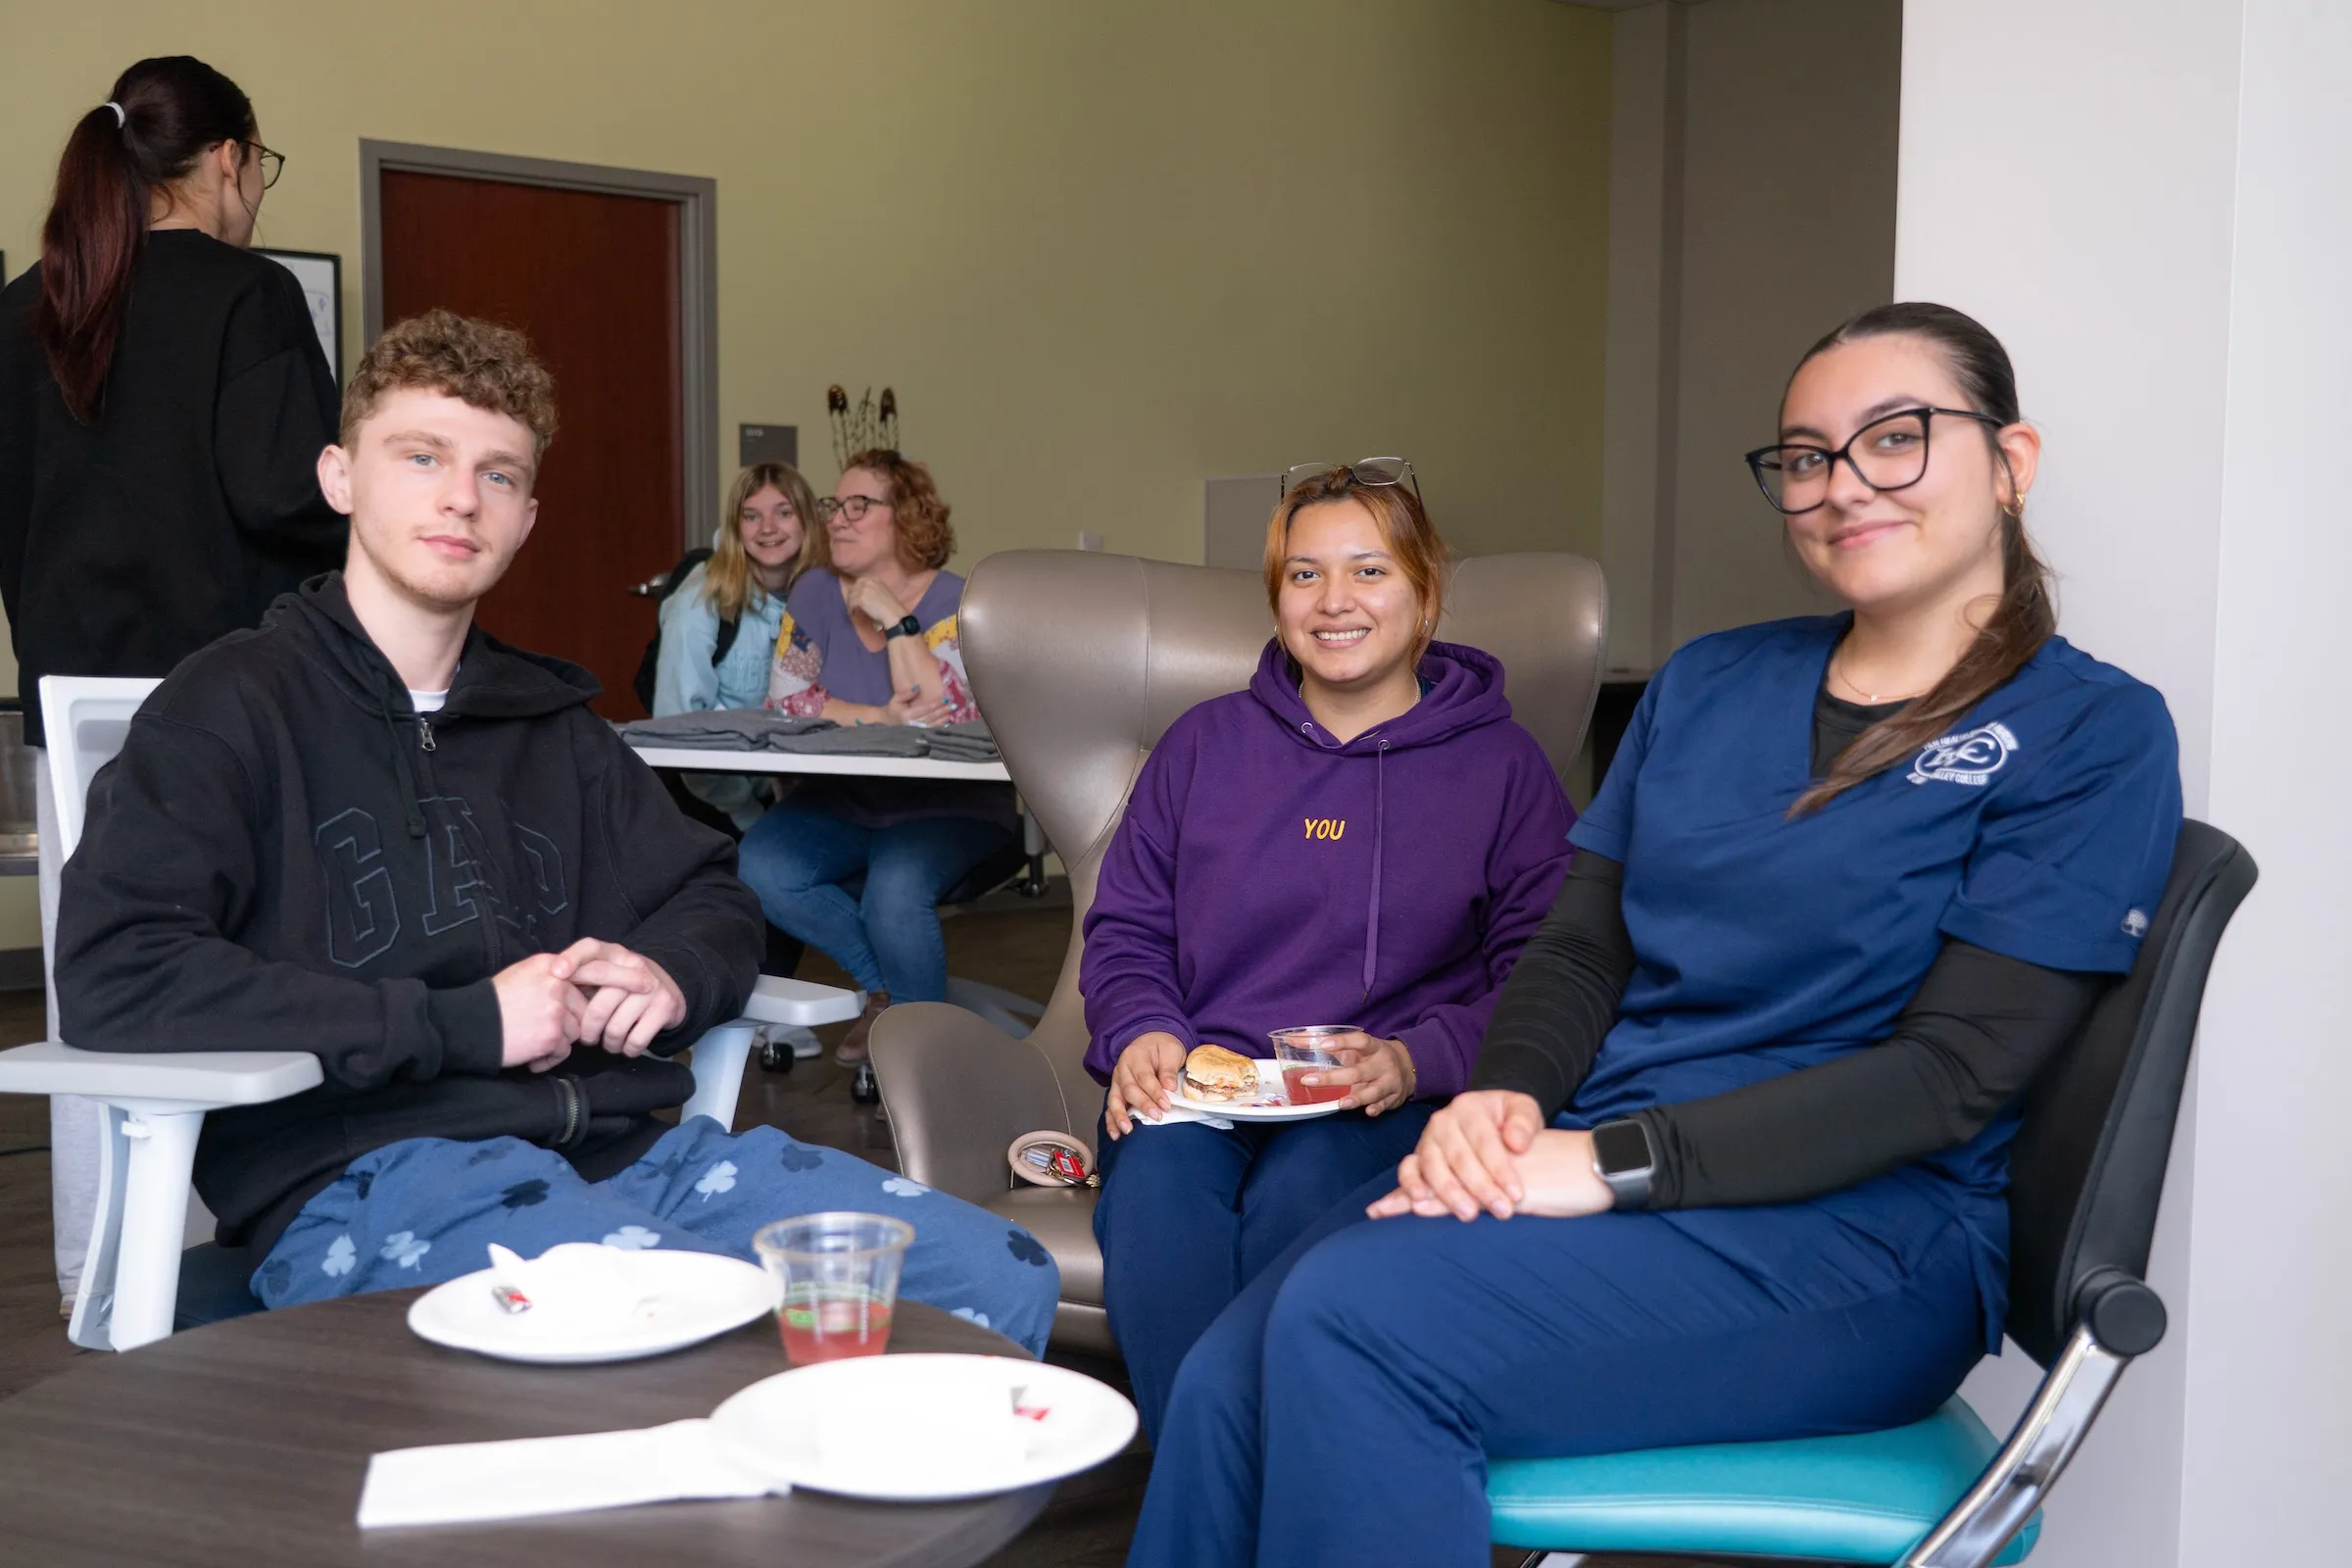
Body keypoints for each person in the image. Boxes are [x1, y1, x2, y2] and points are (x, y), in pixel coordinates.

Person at [1126, 303, 2184, 1568]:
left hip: (1859, 1240)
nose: (1843, 484)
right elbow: (1580, 949)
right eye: (1807, 455)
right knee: (1224, 1367)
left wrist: (1607, 1162)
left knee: (1349, 1326)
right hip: (1602, 1175)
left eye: (1895, 438)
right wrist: (1504, 1103)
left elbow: (1951, 1079)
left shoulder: (2088, 733)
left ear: (2011, 462)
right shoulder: (1710, 683)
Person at [52, 311, 1058, 1352]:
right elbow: (117, 972)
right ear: (340, 477)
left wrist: (668, 972)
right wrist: (465, 1023)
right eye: (422, 455)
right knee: (668, 1338)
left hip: (628, 1157)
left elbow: (714, 892)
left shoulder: (550, 725)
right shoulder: (228, 708)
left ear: (526, 517)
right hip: (374, 1177)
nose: (459, 495)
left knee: (988, 1276)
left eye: (498, 474)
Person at [1080, 463, 1572, 1440]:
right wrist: (1141, 1028)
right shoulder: (1203, 744)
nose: (1334, 601)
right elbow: (1127, 924)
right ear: (1277, 598)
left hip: (1377, 1096)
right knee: (1156, 1196)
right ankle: (1217, 1490)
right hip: (1201, 1084)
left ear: (1425, 592)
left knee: (1301, 1195)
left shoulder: (1505, 767)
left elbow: (1545, 972)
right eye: (1304, 575)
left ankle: (1266, 1488)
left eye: (1369, 572)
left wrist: (1418, 1056)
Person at [0, 56, 345, 1313]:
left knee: (96, 985)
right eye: (260, 169)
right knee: (242, 974)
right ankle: (231, 1267)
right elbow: (284, 492)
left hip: (71, 711)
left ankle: (103, 1278)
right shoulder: (245, 297)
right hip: (223, 706)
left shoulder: (25, 307)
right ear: (226, 162)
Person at [738, 449, 1017, 1062]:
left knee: (895, 888)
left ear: (908, 519)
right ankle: (886, 990)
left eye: (859, 505)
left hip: (953, 807)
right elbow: (788, 700)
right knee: (762, 863)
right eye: (835, 505)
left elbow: (947, 716)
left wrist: (896, 620)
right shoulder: (814, 593)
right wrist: (880, 718)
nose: (837, 518)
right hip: (845, 801)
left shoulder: (959, 603)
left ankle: (926, 1061)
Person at [652, 461, 827, 830]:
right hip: (715, 802)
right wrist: (748, 815)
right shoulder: (702, 600)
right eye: (751, 516)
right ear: (736, 527)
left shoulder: (825, 595)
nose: (767, 529)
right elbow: (678, 729)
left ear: (807, 521)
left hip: (800, 794)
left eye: (784, 513)